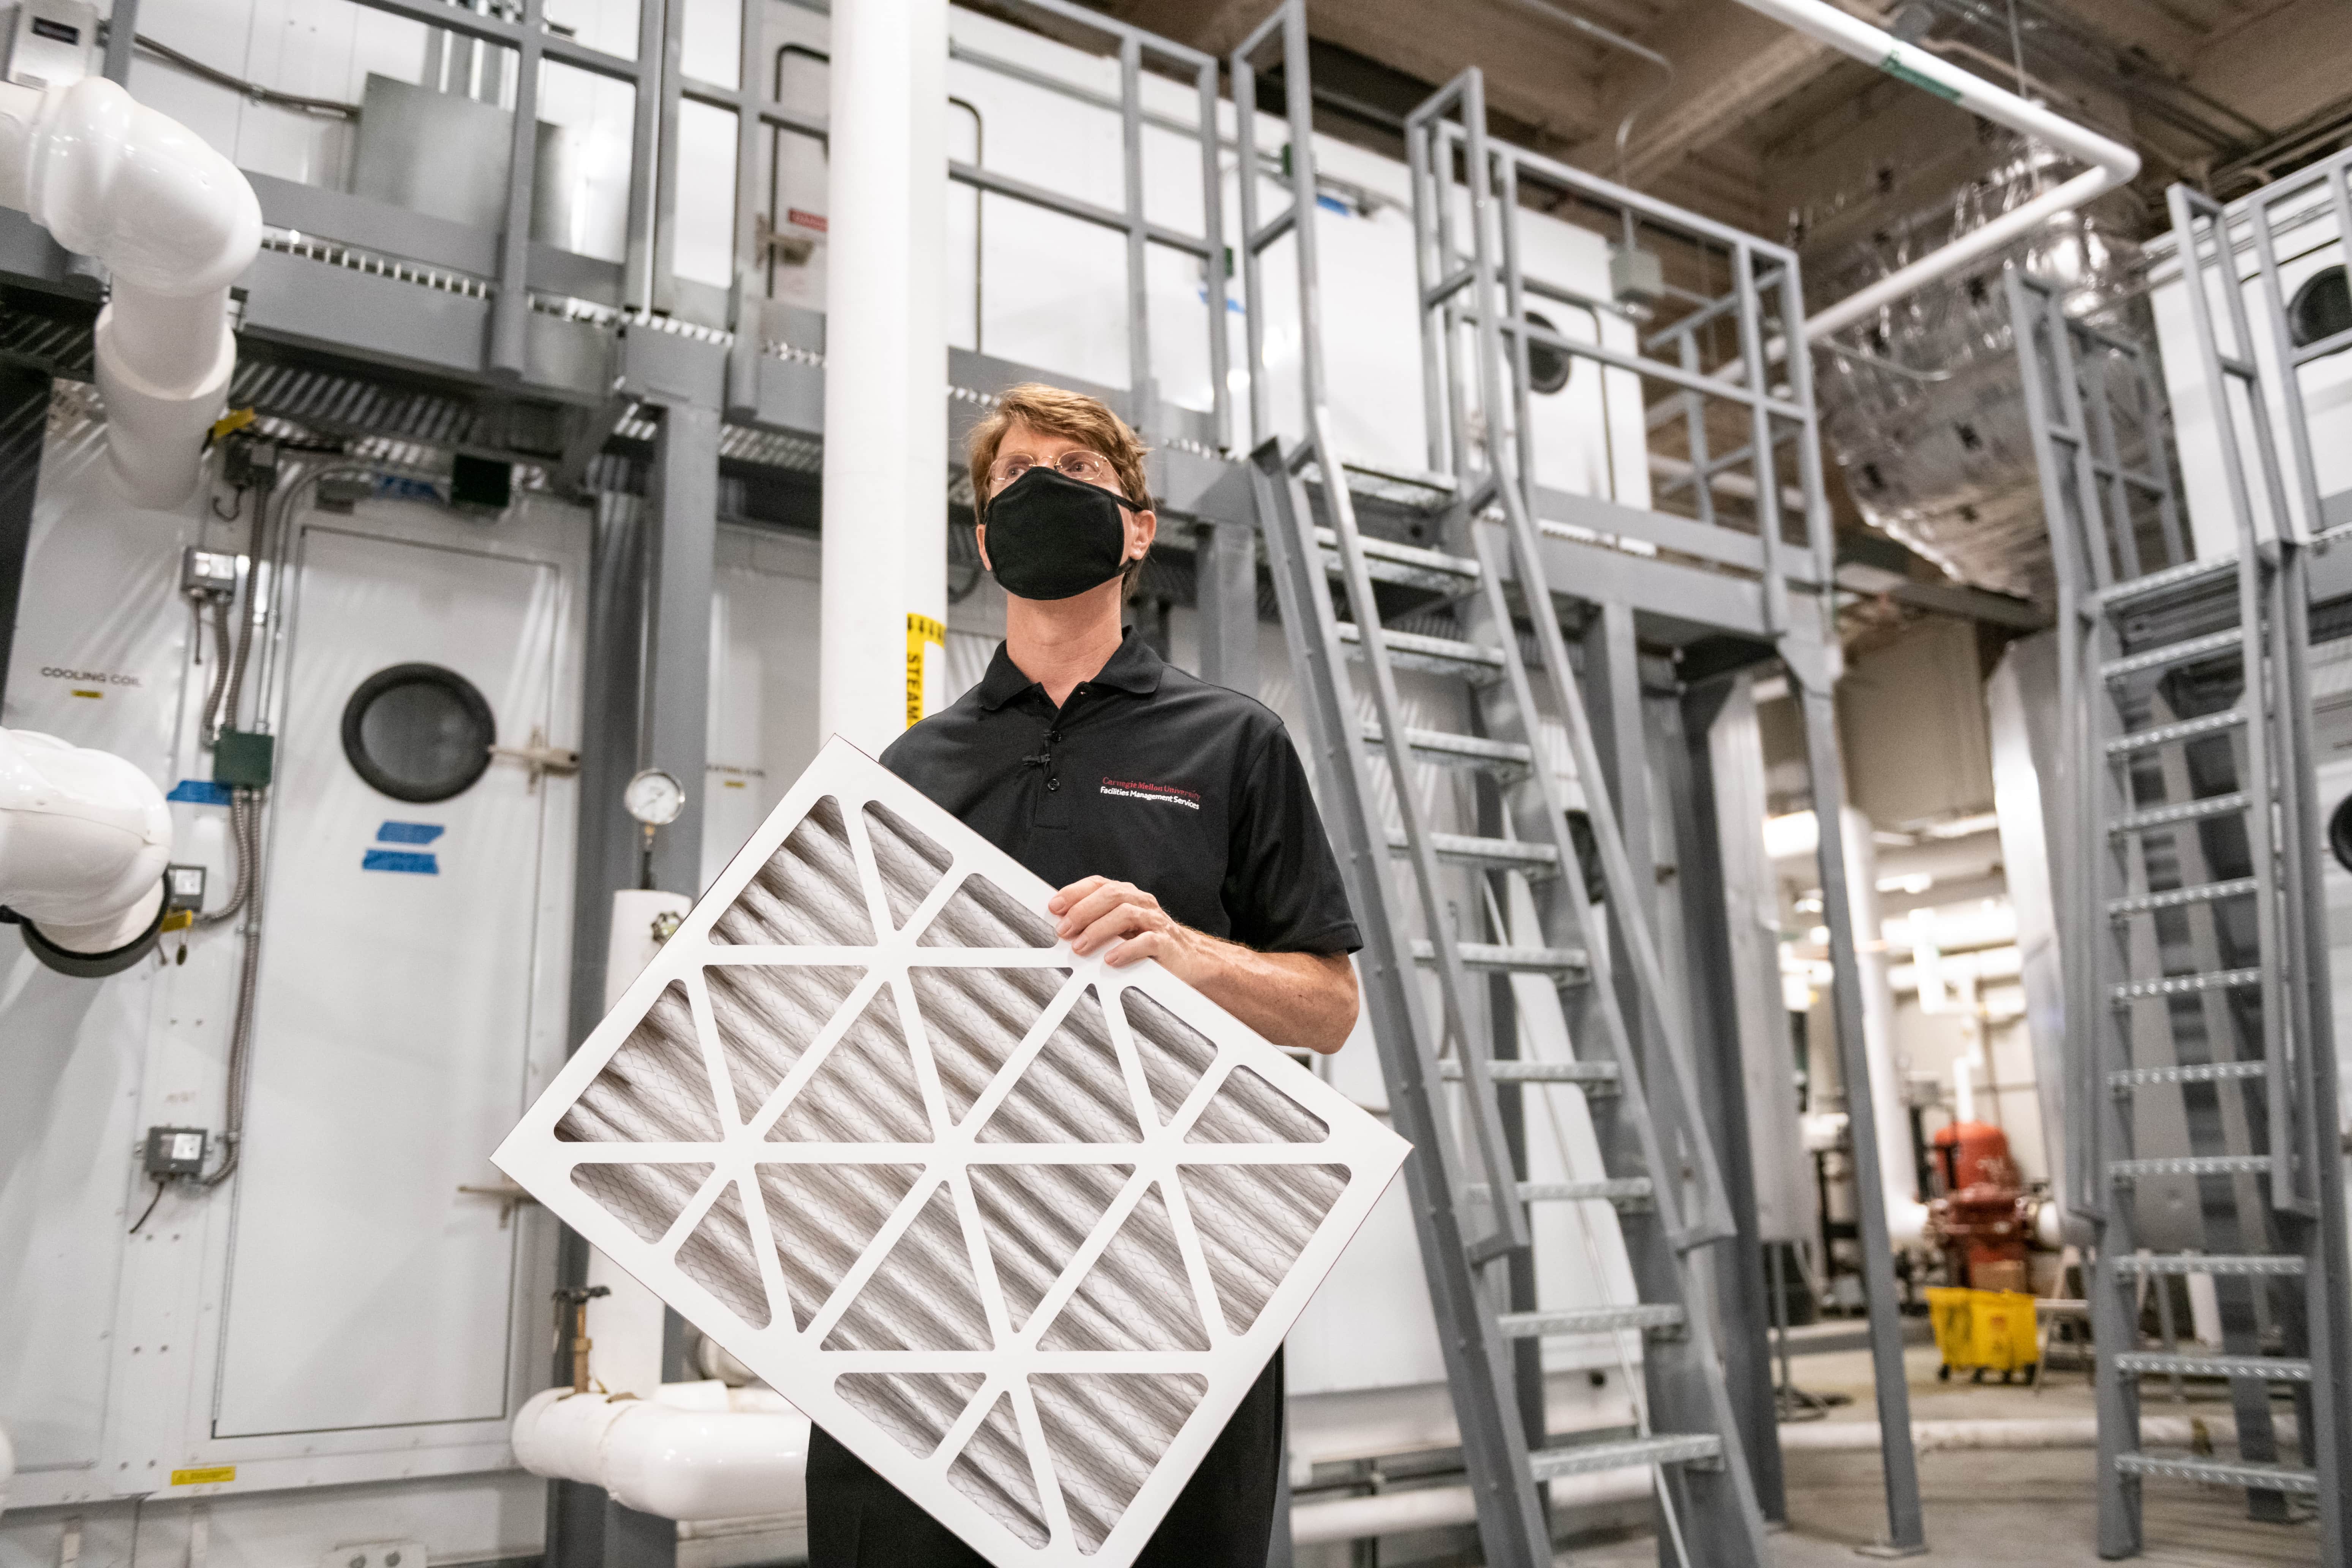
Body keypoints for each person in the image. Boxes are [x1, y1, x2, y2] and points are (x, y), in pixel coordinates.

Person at [804, 382, 1362, 1566]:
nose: (1043, 486)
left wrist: (1184, 951)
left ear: (1141, 527)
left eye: (1076, 467)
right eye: (1015, 474)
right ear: (985, 534)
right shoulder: (913, 763)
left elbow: (1329, 1005)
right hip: (936, 1265)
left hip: (1171, 1271)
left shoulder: (1232, 740)